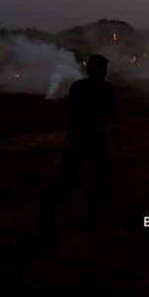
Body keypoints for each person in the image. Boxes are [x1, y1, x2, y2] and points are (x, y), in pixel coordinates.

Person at [41, 54, 115, 236]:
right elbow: (111, 111)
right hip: (94, 135)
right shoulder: (107, 89)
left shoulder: (78, 87)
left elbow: (71, 107)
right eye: (102, 68)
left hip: (79, 135)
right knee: (96, 173)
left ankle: (57, 210)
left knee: (70, 172)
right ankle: (91, 210)